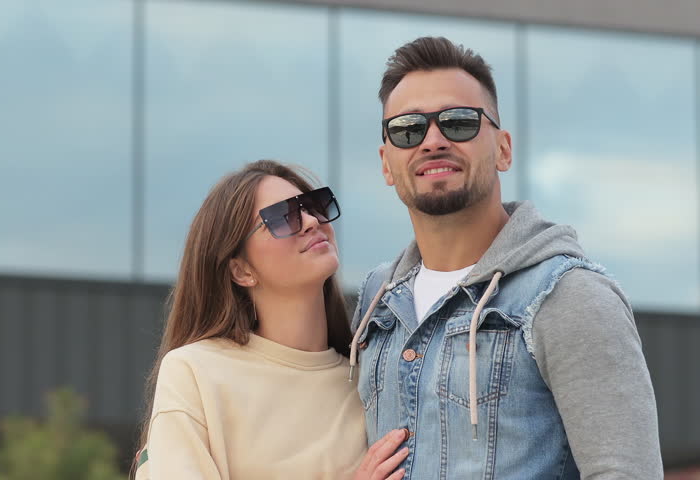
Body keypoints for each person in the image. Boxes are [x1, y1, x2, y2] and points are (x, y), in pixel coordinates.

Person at [350, 37, 662, 479]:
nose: (433, 140)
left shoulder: (570, 297)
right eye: (407, 129)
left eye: (459, 122)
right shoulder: (376, 301)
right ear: (386, 162)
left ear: (503, 149)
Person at [133, 160, 408, 479]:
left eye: (313, 205)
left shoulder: (370, 378)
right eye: (281, 218)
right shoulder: (195, 372)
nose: (309, 221)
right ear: (241, 270)